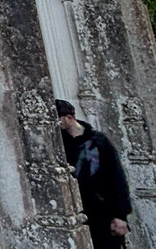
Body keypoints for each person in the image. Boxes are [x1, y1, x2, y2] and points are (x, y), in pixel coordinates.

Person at [57, 98, 132, 249]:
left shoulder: (99, 141)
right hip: (79, 210)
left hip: (105, 210)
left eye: (58, 120)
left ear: (69, 118)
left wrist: (120, 215)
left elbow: (117, 177)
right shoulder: (60, 144)